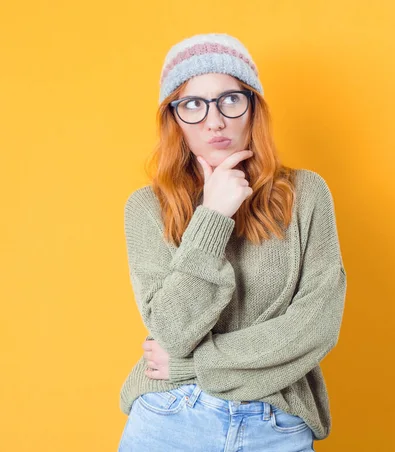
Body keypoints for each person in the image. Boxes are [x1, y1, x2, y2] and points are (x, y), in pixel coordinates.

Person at [117, 32, 347, 452]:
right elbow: (170, 328)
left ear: (253, 108)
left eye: (230, 99)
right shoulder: (146, 207)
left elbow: (317, 325)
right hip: (170, 416)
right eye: (193, 104)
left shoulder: (306, 194)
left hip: (276, 423)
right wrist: (214, 216)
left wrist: (191, 363)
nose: (214, 120)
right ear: (174, 119)